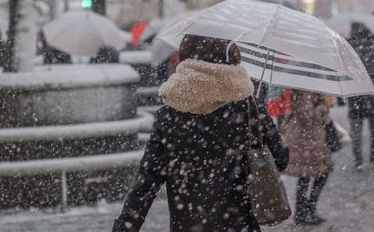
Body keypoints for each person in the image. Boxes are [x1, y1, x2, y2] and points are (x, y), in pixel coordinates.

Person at [113, 34, 289, 232]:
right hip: (240, 224)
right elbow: (281, 159)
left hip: (188, 224)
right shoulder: (249, 108)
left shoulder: (169, 115)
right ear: (231, 58)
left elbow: (147, 181)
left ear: (187, 58)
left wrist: (125, 227)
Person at [281, 90, 334, 226]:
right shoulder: (304, 91)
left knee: (313, 175)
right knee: (308, 176)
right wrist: (324, 105)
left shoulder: (309, 88)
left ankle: (307, 211)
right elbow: (307, 116)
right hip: (306, 141)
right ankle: (303, 213)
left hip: (312, 140)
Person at [346, 22, 374, 170]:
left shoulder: (349, 50)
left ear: (355, 31)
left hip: (355, 97)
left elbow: (345, 73)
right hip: (373, 98)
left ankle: (359, 162)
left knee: (356, 133)